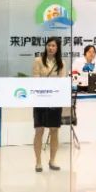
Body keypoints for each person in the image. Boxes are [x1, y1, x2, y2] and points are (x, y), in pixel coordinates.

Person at [32, 36, 65, 173]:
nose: (51, 48)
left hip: (55, 100)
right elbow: (35, 79)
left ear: (57, 48)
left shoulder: (61, 63)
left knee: (54, 130)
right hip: (40, 99)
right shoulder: (38, 60)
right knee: (39, 130)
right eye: (49, 45)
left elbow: (62, 82)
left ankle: (52, 160)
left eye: (53, 46)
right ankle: (38, 162)